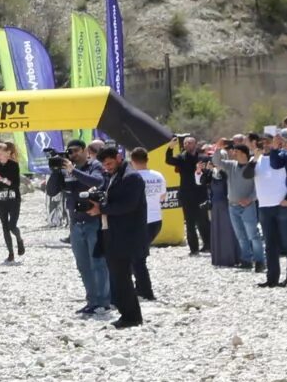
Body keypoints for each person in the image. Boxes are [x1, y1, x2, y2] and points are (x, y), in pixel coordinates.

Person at [87, 144, 147, 327]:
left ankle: (132, 316)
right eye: (104, 165)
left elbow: (128, 205)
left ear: (119, 158)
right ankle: (125, 312)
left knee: (122, 276)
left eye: (110, 163)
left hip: (125, 234)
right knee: (117, 275)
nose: (107, 167)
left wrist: (101, 208)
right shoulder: (112, 176)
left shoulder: (131, 177)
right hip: (112, 233)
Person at [62, 142, 110, 315]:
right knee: (83, 264)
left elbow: (98, 181)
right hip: (75, 223)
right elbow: (52, 190)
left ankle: (104, 301)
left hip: (93, 221)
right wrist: (55, 171)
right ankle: (92, 301)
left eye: (74, 151)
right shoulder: (66, 168)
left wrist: (73, 171)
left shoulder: (94, 165)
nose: (71, 155)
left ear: (84, 151)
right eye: (69, 152)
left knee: (98, 263)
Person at [253, 132, 287, 287]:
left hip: (281, 205)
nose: (265, 144)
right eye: (262, 142)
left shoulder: (284, 157)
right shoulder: (257, 160)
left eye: (268, 141)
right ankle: (272, 278)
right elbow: (246, 175)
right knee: (270, 245)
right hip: (264, 207)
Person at [128, 147, 166, 301]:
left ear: (132, 161)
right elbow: (162, 197)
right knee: (138, 256)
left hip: (140, 221)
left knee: (137, 258)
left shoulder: (132, 177)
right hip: (156, 220)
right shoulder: (158, 175)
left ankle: (145, 290)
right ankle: (139, 287)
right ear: (147, 159)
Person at [221, 140, 262, 266]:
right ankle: (246, 260)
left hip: (248, 205)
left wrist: (250, 199)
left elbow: (259, 186)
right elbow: (216, 162)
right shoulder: (231, 165)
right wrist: (218, 149)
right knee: (240, 235)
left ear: (244, 154)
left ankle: (260, 261)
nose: (233, 152)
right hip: (232, 205)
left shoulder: (254, 166)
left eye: (236, 151)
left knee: (253, 235)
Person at [165, 135, 208, 255]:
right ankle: (193, 249)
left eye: (190, 143)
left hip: (201, 194)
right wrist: (170, 148)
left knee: (203, 221)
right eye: (185, 143)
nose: (188, 145)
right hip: (186, 194)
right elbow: (168, 160)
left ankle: (207, 245)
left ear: (195, 144)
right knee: (190, 223)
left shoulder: (203, 158)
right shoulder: (181, 158)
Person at [0, 142, 25, 262]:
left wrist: (1, 179)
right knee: (4, 226)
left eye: (1, 153)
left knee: (12, 225)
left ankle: (19, 239)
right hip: (1, 199)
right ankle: (10, 253)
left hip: (13, 198)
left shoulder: (14, 165)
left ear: (8, 153)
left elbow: (15, 185)